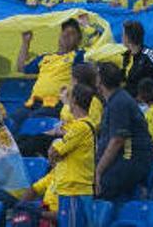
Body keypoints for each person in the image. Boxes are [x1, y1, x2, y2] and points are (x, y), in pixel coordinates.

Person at [95, 62, 153, 200]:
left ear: (99, 81)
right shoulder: (114, 100)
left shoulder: (119, 103)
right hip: (121, 159)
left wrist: (98, 171)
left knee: (94, 188)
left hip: (131, 160)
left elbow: (117, 141)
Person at [16, 19, 84, 125]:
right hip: (33, 103)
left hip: (56, 104)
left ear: (79, 40)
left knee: (32, 122)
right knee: (12, 120)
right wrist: (26, 42)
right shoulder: (45, 57)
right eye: (64, 32)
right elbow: (21, 68)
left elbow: (95, 47)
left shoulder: (79, 55)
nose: (66, 35)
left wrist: (86, 25)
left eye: (72, 33)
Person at [49, 83, 95, 226]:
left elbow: (54, 152)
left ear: (74, 100)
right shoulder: (81, 125)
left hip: (74, 190)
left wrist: (55, 144)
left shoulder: (80, 127)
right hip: (70, 189)